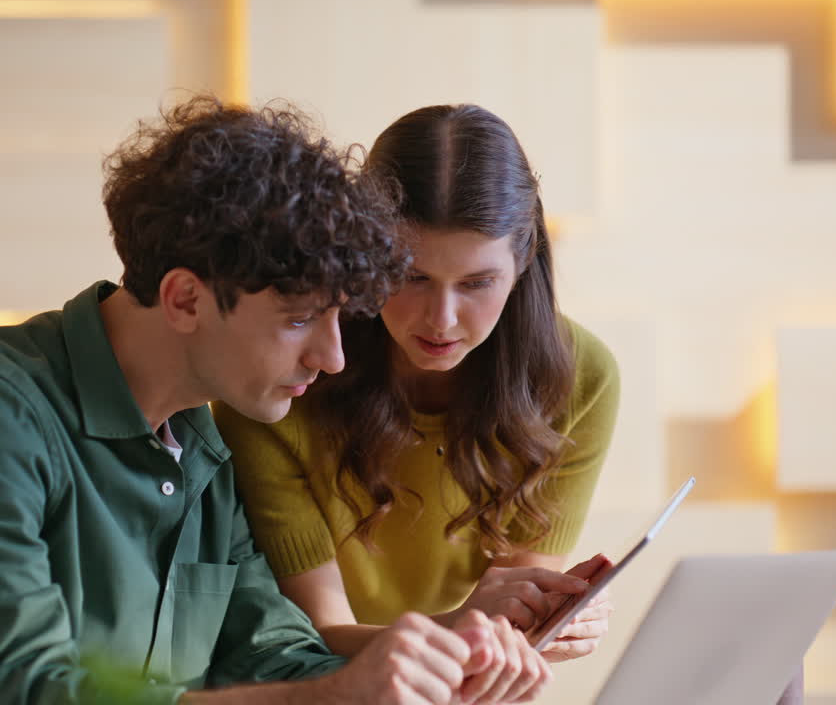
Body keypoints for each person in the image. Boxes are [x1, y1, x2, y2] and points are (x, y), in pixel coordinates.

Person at [0, 96, 552, 705]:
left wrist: (429, 672)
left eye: (337, 317)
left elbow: (269, 653)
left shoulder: (198, 444)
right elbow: (22, 691)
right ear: (186, 298)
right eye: (300, 318)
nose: (333, 356)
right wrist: (330, 699)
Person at [213, 103, 622, 663]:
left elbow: (503, 633)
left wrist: (548, 619)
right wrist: (460, 628)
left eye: (478, 283)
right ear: (365, 252)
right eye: (410, 276)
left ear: (524, 258)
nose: (442, 319)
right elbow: (312, 641)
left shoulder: (583, 379)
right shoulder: (284, 379)